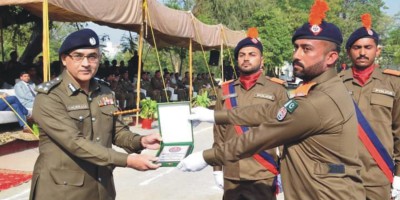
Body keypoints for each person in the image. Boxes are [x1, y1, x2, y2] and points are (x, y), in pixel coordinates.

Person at [178, 1, 366, 199]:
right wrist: (216, 116)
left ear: (331, 58)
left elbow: (262, 135)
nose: (296, 55)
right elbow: (270, 111)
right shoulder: (322, 89)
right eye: (296, 48)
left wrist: (207, 157)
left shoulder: (317, 101)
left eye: (306, 49)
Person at [30, 29, 162, 200]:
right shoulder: (50, 96)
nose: (86, 63)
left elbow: (117, 131)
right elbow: (75, 142)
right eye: (78, 56)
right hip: (63, 191)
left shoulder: (104, 91)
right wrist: (127, 160)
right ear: (64, 59)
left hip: (101, 187)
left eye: (92, 56)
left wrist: (140, 141)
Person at [211, 27, 288, 199]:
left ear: (262, 60)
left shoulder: (277, 90)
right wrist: (217, 168)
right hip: (232, 172)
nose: (246, 58)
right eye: (242, 55)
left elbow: (285, 133)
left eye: (252, 54)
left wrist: (284, 170)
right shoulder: (224, 90)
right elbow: (219, 133)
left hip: (263, 173)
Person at [339, 13, 400, 200]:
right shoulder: (335, 84)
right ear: (349, 51)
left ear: (377, 51)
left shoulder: (394, 84)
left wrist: (398, 176)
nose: (363, 52)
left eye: (368, 47)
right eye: (357, 48)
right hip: (341, 175)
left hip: (378, 175)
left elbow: (398, 131)